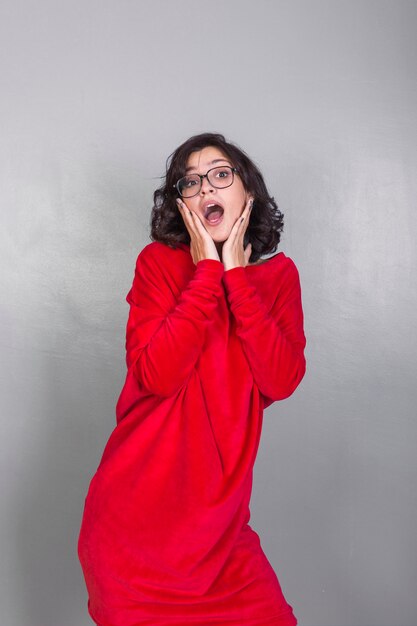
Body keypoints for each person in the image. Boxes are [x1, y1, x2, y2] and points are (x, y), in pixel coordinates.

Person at [77, 132, 307, 625]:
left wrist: (237, 278)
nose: (206, 189)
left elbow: (281, 379)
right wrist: (206, 272)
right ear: (180, 203)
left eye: (221, 174)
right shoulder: (158, 265)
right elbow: (159, 375)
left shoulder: (278, 279)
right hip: (135, 536)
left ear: (248, 190)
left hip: (221, 540)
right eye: (190, 181)